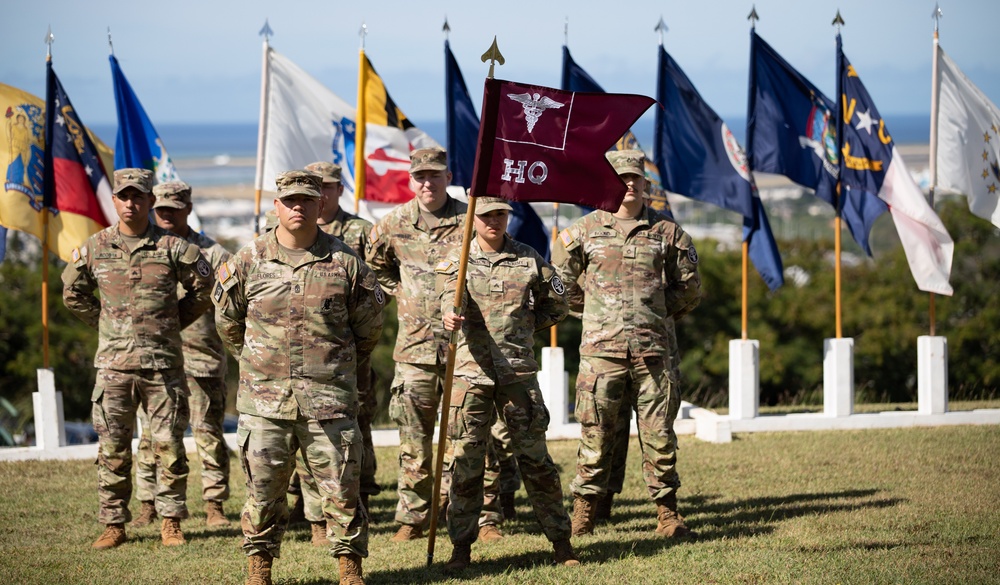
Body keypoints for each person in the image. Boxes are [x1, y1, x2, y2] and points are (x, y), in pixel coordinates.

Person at [215, 170, 383, 585]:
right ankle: (259, 569)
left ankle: (349, 569)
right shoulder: (249, 259)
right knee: (263, 494)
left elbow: (369, 328)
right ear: (276, 206)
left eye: (307, 200)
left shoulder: (345, 263)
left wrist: (333, 367)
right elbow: (227, 321)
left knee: (343, 492)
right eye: (289, 200)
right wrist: (256, 361)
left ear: (320, 205)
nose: (298, 207)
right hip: (264, 404)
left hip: (329, 402)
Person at [551, 150, 702, 538]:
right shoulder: (583, 232)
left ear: (645, 185)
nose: (628, 185)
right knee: (596, 434)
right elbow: (561, 285)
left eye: (635, 178)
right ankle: (585, 512)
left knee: (659, 436)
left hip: (654, 353)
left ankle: (668, 514)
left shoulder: (668, 233)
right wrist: (602, 312)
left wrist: (653, 313)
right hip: (602, 354)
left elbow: (689, 288)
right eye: (620, 178)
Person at [62, 168, 214, 550]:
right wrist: (106, 322)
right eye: (123, 197)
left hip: (162, 366)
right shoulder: (96, 247)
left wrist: (173, 322)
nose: (131, 203)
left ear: (149, 201)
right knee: (112, 447)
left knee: (169, 445)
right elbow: (72, 292)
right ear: (114, 201)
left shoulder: (173, 247)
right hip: (113, 367)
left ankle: (171, 522)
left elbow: (202, 287)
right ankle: (114, 524)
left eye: (138, 197)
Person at [365, 147, 503, 542]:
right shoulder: (393, 223)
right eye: (420, 176)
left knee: (475, 436)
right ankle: (413, 517)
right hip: (416, 349)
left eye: (435, 175)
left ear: (447, 177)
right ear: (411, 180)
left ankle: (486, 517)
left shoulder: (469, 218)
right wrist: (402, 292)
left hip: (469, 348)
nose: (427, 183)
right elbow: (375, 265)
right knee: (414, 437)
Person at [438, 196, 579, 570]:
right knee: (466, 465)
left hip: (518, 375)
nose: (493, 222)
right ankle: (461, 548)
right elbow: (443, 300)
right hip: (472, 375)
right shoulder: (458, 260)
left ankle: (561, 544)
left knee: (536, 462)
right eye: (486, 215)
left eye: (500, 214)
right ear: (474, 218)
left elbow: (558, 304)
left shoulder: (529, 257)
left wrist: (525, 328)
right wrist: (449, 317)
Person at [280, 161, 380, 547]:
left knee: (352, 435)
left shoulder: (357, 235)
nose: (318, 196)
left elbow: (372, 302)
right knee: (297, 438)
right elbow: (234, 321)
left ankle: (358, 500)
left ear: (335, 191)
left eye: (327, 188)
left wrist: (347, 350)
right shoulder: (272, 246)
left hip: (343, 361)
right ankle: (310, 515)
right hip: (291, 369)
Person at [131, 180, 233, 530]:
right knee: (151, 438)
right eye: (161, 210)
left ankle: (214, 504)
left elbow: (235, 303)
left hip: (202, 360)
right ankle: (148, 503)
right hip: (155, 363)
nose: (167, 215)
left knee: (209, 435)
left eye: (174, 209)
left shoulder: (214, 254)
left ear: (188, 209)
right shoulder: (146, 252)